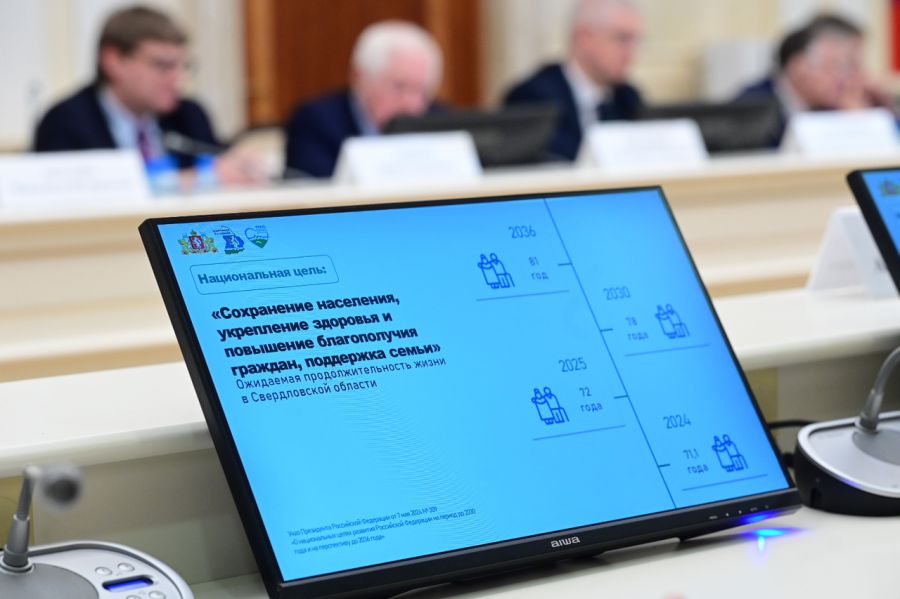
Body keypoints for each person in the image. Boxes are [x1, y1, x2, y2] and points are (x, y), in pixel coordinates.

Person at [33, 5, 262, 186]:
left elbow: (219, 166)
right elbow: (77, 195)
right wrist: (196, 180)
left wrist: (240, 166)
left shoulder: (189, 114)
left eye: (183, 66)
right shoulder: (64, 121)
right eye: (163, 66)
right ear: (113, 61)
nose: (179, 79)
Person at [284, 20, 444, 178]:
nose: (411, 104)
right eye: (399, 87)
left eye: (421, 90)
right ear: (360, 77)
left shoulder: (444, 124)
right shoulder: (316, 124)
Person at [503, 0, 644, 161]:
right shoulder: (533, 98)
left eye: (636, 41)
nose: (631, 53)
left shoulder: (628, 98)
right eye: (621, 39)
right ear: (584, 38)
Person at [736, 14, 879, 147]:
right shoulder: (750, 107)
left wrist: (859, 121)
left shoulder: (831, 107)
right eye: (836, 68)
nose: (844, 79)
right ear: (799, 67)